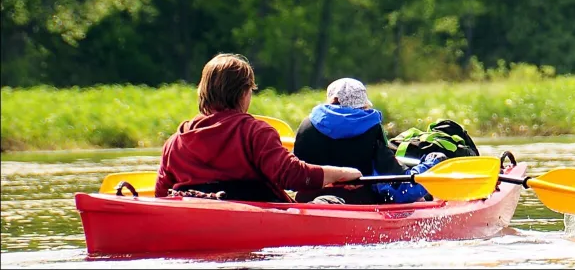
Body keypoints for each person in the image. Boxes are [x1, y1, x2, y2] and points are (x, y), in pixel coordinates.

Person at [155, 53, 362, 202]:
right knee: (331, 201)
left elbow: (161, 195)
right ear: (244, 93)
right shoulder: (256, 133)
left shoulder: (174, 143)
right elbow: (293, 175)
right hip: (255, 220)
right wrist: (343, 173)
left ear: (203, 92)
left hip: (196, 217)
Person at [292, 77, 441, 204]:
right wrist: (432, 163)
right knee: (423, 195)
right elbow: (396, 185)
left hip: (306, 200)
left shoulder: (306, 125)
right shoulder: (371, 127)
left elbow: (293, 174)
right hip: (356, 202)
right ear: (362, 103)